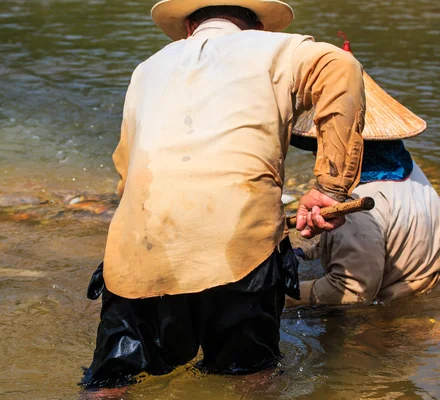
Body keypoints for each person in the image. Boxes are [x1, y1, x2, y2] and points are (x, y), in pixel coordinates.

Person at [81, 0, 366, 388]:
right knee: (250, 374)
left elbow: (126, 169)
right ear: (260, 26)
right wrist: (330, 187)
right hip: (239, 241)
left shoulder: (146, 69)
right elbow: (342, 66)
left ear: (188, 27)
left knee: (113, 381)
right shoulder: (280, 48)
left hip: (140, 246)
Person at [286, 136, 440, 307]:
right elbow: (388, 234)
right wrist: (305, 253)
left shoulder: (353, 207)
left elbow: (352, 292)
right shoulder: (404, 168)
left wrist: (281, 295)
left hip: (405, 304)